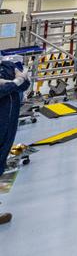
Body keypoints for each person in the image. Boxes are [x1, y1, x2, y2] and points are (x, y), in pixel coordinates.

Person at [0, 56, 32, 226]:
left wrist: (21, 80)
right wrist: (17, 81)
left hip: (8, 125)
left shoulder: (7, 65)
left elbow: (24, 85)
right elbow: (2, 90)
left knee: (1, 163)